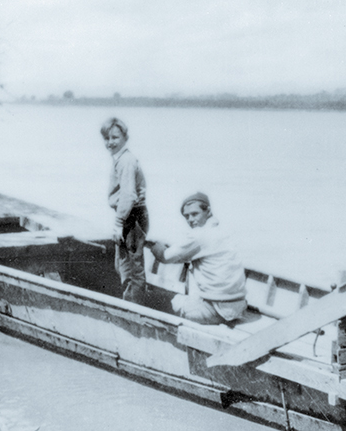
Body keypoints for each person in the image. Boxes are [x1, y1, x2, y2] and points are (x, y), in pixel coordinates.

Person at [148, 192, 248, 325]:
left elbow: (165, 257)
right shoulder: (222, 232)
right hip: (237, 308)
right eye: (186, 216)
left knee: (155, 299)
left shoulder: (200, 235)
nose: (190, 219)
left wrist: (151, 244)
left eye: (194, 214)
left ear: (208, 212)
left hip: (216, 311)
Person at [101, 117, 148, 303]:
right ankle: (128, 300)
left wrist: (119, 223)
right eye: (106, 138)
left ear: (125, 138)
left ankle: (135, 309)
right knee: (123, 265)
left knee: (133, 268)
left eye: (115, 137)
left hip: (132, 216)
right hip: (129, 215)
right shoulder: (120, 159)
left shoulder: (126, 160)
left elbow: (128, 195)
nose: (110, 142)